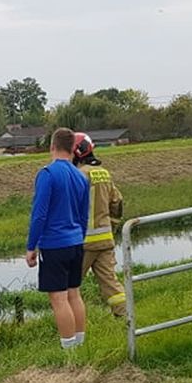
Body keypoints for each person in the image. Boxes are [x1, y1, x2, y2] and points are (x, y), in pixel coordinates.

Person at [25, 127, 90, 351]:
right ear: (73, 148)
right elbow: (84, 215)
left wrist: (31, 246)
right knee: (74, 294)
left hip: (54, 244)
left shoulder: (48, 174)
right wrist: (79, 238)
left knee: (59, 299)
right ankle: (80, 343)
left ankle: (68, 349)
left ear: (52, 146)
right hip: (75, 242)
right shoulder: (81, 176)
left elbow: (39, 214)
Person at [72, 132, 127, 318]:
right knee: (111, 284)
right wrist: (112, 227)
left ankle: (71, 329)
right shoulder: (104, 173)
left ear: (77, 153)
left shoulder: (78, 175)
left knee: (69, 286)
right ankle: (125, 319)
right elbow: (117, 202)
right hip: (105, 240)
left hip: (83, 242)